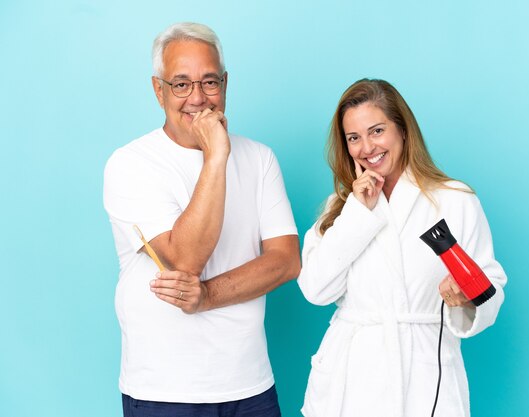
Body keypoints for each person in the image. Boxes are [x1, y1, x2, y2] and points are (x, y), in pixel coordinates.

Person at [103, 22, 300, 417]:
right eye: (181, 84)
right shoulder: (130, 164)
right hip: (164, 390)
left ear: (226, 84)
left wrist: (207, 295)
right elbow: (185, 257)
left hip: (251, 386)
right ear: (159, 90)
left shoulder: (260, 159)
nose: (198, 98)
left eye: (210, 82)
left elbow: (286, 261)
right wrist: (216, 156)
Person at [297, 79, 507, 417]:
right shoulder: (339, 209)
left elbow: (491, 288)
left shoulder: (455, 200)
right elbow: (315, 290)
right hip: (351, 381)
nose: (366, 147)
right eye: (354, 138)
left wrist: (466, 298)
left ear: (403, 130)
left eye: (377, 130)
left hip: (426, 375)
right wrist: (357, 211)